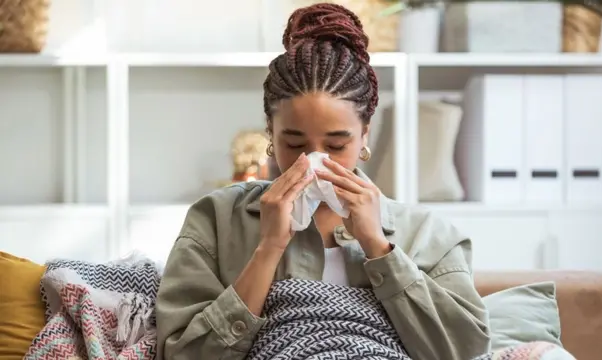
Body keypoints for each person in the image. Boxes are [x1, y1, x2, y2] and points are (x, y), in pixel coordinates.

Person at [155, 3, 490, 360]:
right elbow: (182, 354)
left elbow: (464, 351)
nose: (313, 163)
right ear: (270, 134)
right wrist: (268, 249)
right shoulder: (216, 221)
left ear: (365, 136)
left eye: (336, 145)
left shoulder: (429, 236)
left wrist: (378, 247)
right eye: (295, 144)